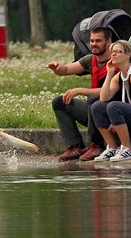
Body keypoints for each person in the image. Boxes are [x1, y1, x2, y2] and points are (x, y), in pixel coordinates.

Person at [45, 27, 114, 162]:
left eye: (98, 41)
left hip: (111, 112)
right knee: (60, 102)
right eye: (92, 41)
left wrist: (80, 90)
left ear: (108, 42)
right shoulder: (90, 59)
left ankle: (97, 145)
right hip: (93, 111)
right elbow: (66, 70)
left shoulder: (115, 60)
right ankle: (75, 146)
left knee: (94, 99)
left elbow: (110, 91)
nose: (94, 44)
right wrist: (57, 68)